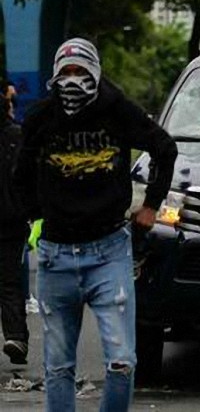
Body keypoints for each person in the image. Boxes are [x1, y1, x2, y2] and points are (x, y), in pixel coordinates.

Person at [13, 38, 178, 412]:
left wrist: (151, 206)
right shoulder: (41, 116)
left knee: (122, 361)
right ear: (55, 75)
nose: (73, 80)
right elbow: (19, 172)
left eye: (81, 72)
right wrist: (35, 216)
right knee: (58, 366)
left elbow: (164, 148)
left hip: (109, 252)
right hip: (56, 256)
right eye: (66, 73)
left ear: (96, 73)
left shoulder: (116, 109)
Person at [0, 79, 29, 365]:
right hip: (12, 220)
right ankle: (16, 337)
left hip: (11, 218)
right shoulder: (18, 137)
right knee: (9, 282)